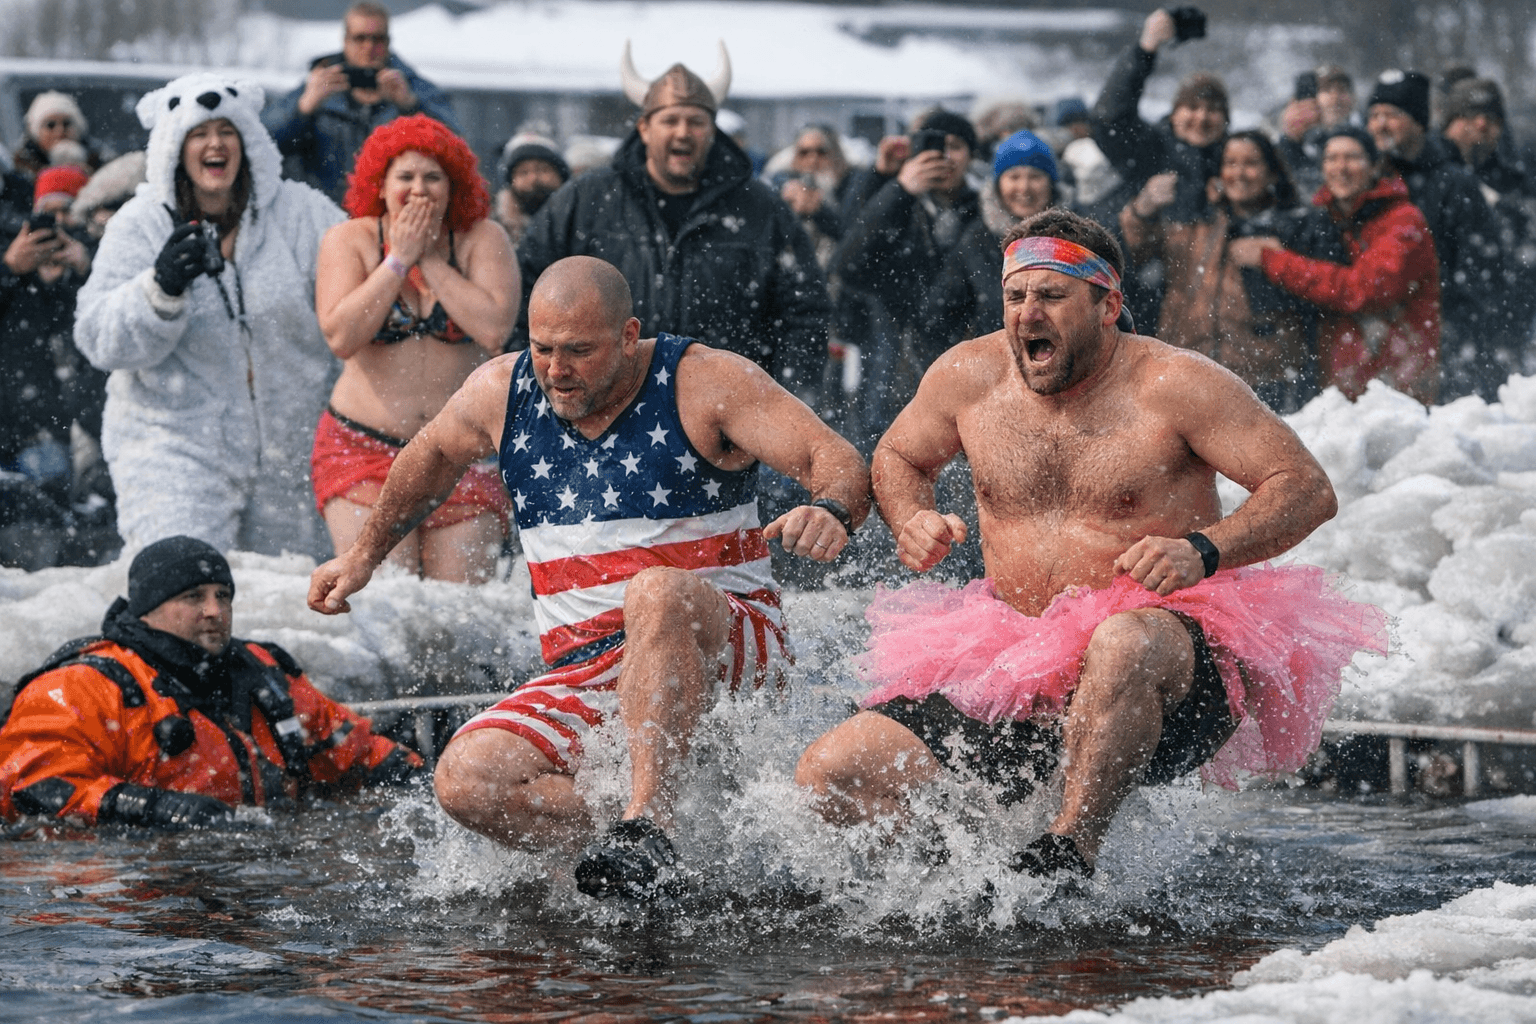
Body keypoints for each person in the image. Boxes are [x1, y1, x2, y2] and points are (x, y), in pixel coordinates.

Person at [795, 209, 1387, 878]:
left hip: (1171, 655)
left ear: (1108, 304)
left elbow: (1306, 488)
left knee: (1121, 641)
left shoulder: (1175, 384)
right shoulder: (969, 375)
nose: (1027, 314)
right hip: (1019, 652)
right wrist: (910, 518)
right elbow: (900, 454)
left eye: (1051, 295)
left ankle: (1067, 853)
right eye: (1016, 295)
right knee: (832, 772)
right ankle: (948, 891)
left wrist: (1202, 548)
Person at [308, 256, 870, 899]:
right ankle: (626, 853)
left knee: (654, 591)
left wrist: (829, 510)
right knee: (463, 780)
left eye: (578, 351)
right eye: (543, 348)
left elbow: (838, 461)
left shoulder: (704, 381)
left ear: (629, 336)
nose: (556, 370)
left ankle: (650, 829)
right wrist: (363, 556)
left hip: (725, 641)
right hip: (590, 667)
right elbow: (430, 455)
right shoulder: (503, 391)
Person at [74, 72, 346, 559]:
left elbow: (361, 305)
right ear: (174, 146)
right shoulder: (140, 225)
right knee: (183, 593)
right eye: (198, 133)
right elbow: (96, 338)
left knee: (288, 610)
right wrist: (158, 289)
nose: (214, 143)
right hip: (172, 448)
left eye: (226, 131)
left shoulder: (304, 216)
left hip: (292, 453)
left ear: (248, 143)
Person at [0, 536, 422, 828]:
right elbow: (34, 787)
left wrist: (424, 783)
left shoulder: (260, 668)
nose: (214, 610)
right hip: (125, 895)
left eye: (223, 595)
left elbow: (353, 748)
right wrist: (153, 808)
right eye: (193, 597)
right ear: (148, 609)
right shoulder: (82, 686)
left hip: (253, 862)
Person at [516, 45, 831, 398]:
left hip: (727, 416)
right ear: (645, 128)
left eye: (695, 122)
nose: (682, 132)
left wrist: (785, 400)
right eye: (670, 120)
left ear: (712, 130)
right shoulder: (586, 200)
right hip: (604, 411)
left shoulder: (761, 209)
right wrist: (537, 393)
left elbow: (805, 311)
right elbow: (526, 288)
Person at [312, 116, 518, 583]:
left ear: (454, 186)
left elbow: (492, 330)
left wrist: (429, 258)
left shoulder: (484, 239)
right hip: (362, 450)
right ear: (380, 186)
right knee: (386, 602)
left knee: (457, 615)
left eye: (433, 177)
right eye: (405, 176)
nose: (419, 189)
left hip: (459, 453)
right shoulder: (348, 240)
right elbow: (342, 338)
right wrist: (398, 260)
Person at [1121, 130, 1340, 412]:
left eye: (1251, 163)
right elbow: (1139, 249)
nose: (1239, 173)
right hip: (1190, 371)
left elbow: (1323, 296)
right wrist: (1142, 209)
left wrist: (1275, 259)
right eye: (1231, 163)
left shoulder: (1295, 226)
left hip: (1265, 378)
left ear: (1272, 173)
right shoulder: (1198, 225)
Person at [1230, 127, 1442, 406]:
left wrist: (1273, 260)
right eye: (1331, 158)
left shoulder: (1403, 220)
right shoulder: (1327, 220)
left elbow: (1363, 290)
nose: (1340, 167)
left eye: (1351, 157)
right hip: (1343, 385)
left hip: (1397, 385)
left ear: (1375, 165)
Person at [832, 109, 983, 444]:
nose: (943, 157)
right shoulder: (899, 206)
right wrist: (897, 188)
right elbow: (849, 263)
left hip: (966, 366)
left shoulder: (986, 210)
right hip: (895, 370)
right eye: (933, 146)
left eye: (955, 145)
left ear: (972, 154)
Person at [1365, 69, 1506, 401]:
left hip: (1444, 335)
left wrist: (1452, 330)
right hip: (1377, 336)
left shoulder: (1454, 182)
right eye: (1373, 115)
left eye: (1392, 115)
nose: (1380, 125)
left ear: (1418, 122)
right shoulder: (1366, 177)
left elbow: (1480, 271)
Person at [1090, 9, 1229, 330]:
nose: (1202, 117)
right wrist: (1145, 50)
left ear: (1226, 120)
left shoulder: (1234, 161)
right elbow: (1108, 119)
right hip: (1148, 308)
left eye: (1213, 110)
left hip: (1213, 318)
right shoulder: (1150, 148)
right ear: (1174, 112)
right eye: (1192, 107)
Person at [0, 165, 101, 569]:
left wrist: (85, 268)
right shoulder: (14, 277)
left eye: (67, 214)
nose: (56, 225)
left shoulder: (92, 268)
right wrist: (10, 269)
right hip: (16, 432)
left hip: (77, 433)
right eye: (46, 215)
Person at [262, 1, 460, 204]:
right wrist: (303, 108)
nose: (369, 47)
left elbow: (455, 149)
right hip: (326, 219)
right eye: (360, 38)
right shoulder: (319, 86)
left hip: (392, 220)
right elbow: (261, 143)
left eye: (377, 39)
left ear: (389, 42)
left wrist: (411, 107)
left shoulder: (414, 89)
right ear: (345, 41)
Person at [925, 129, 1060, 353]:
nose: (1024, 187)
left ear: (1051, 183)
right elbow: (938, 318)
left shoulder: (1077, 236)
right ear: (998, 185)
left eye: (1035, 176)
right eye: (1014, 176)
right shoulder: (976, 240)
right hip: (996, 372)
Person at [1277, 65, 1357, 198]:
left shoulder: (1367, 136)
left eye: (1342, 90)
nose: (1335, 98)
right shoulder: (1294, 145)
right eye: (1326, 90)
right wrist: (1291, 140)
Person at [493, 130, 570, 248]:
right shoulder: (494, 224)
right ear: (511, 182)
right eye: (523, 172)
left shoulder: (579, 221)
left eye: (543, 170)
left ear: (561, 176)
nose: (533, 178)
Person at [11, 91, 110, 178]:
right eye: (50, 125)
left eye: (66, 123)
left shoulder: (103, 166)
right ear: (36, 133)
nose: (60, 131)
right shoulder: (19, 173)